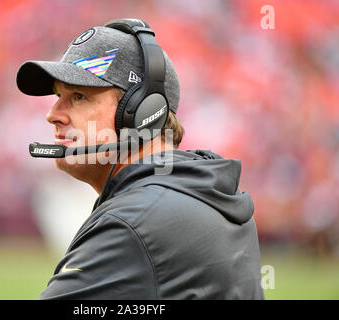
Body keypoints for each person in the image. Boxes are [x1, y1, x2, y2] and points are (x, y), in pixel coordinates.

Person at [16, 18, 264, 299]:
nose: (53, 114)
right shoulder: (206, 197)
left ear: (141, 113)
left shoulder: (132, 224)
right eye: (59, 95)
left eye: (79, 96)